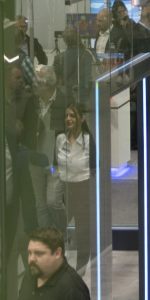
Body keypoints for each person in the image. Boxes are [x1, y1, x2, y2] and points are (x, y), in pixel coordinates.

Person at [53, 104, 95, 272]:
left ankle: (81, 268)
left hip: (83, 188)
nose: (68, 119)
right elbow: (56, 165)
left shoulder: (87, 140)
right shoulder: (60, 139)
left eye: (72, 115)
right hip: (64, 189)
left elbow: (94, 168)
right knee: (59, 230)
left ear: (81, 118)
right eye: (67, 115)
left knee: (82, 231)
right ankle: (59, 265)